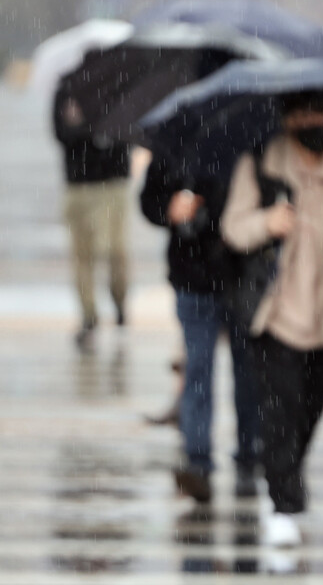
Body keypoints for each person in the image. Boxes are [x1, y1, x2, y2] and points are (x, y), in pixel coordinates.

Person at [221, 91, 323, 547]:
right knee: (281, 407)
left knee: (312, 401)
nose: (316, 121)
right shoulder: (259, 165)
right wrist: (266, 222)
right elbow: (234, 227)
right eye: (306, 112)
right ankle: (282, 503)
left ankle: (286, 472)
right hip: (273, 314)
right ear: (288, 117)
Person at [140, 154, 262, 502]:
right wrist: (169, 207)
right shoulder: (178, 139)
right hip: (192, 276)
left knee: (248, 370)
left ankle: (249, 453)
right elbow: (149, 200)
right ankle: (198, 461)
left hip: (244, 277)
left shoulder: (254, 142)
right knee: (198, 368)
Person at [53, 81, 130, 348]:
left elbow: (125, 131)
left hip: (111, 184)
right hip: (77, 185)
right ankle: (89, 316)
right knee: (81, 256)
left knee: (114, 251)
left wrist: (84, 124)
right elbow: (62, 133)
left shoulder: (120, 84)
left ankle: (120, 302)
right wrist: (94, 129)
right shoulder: (66, 87)